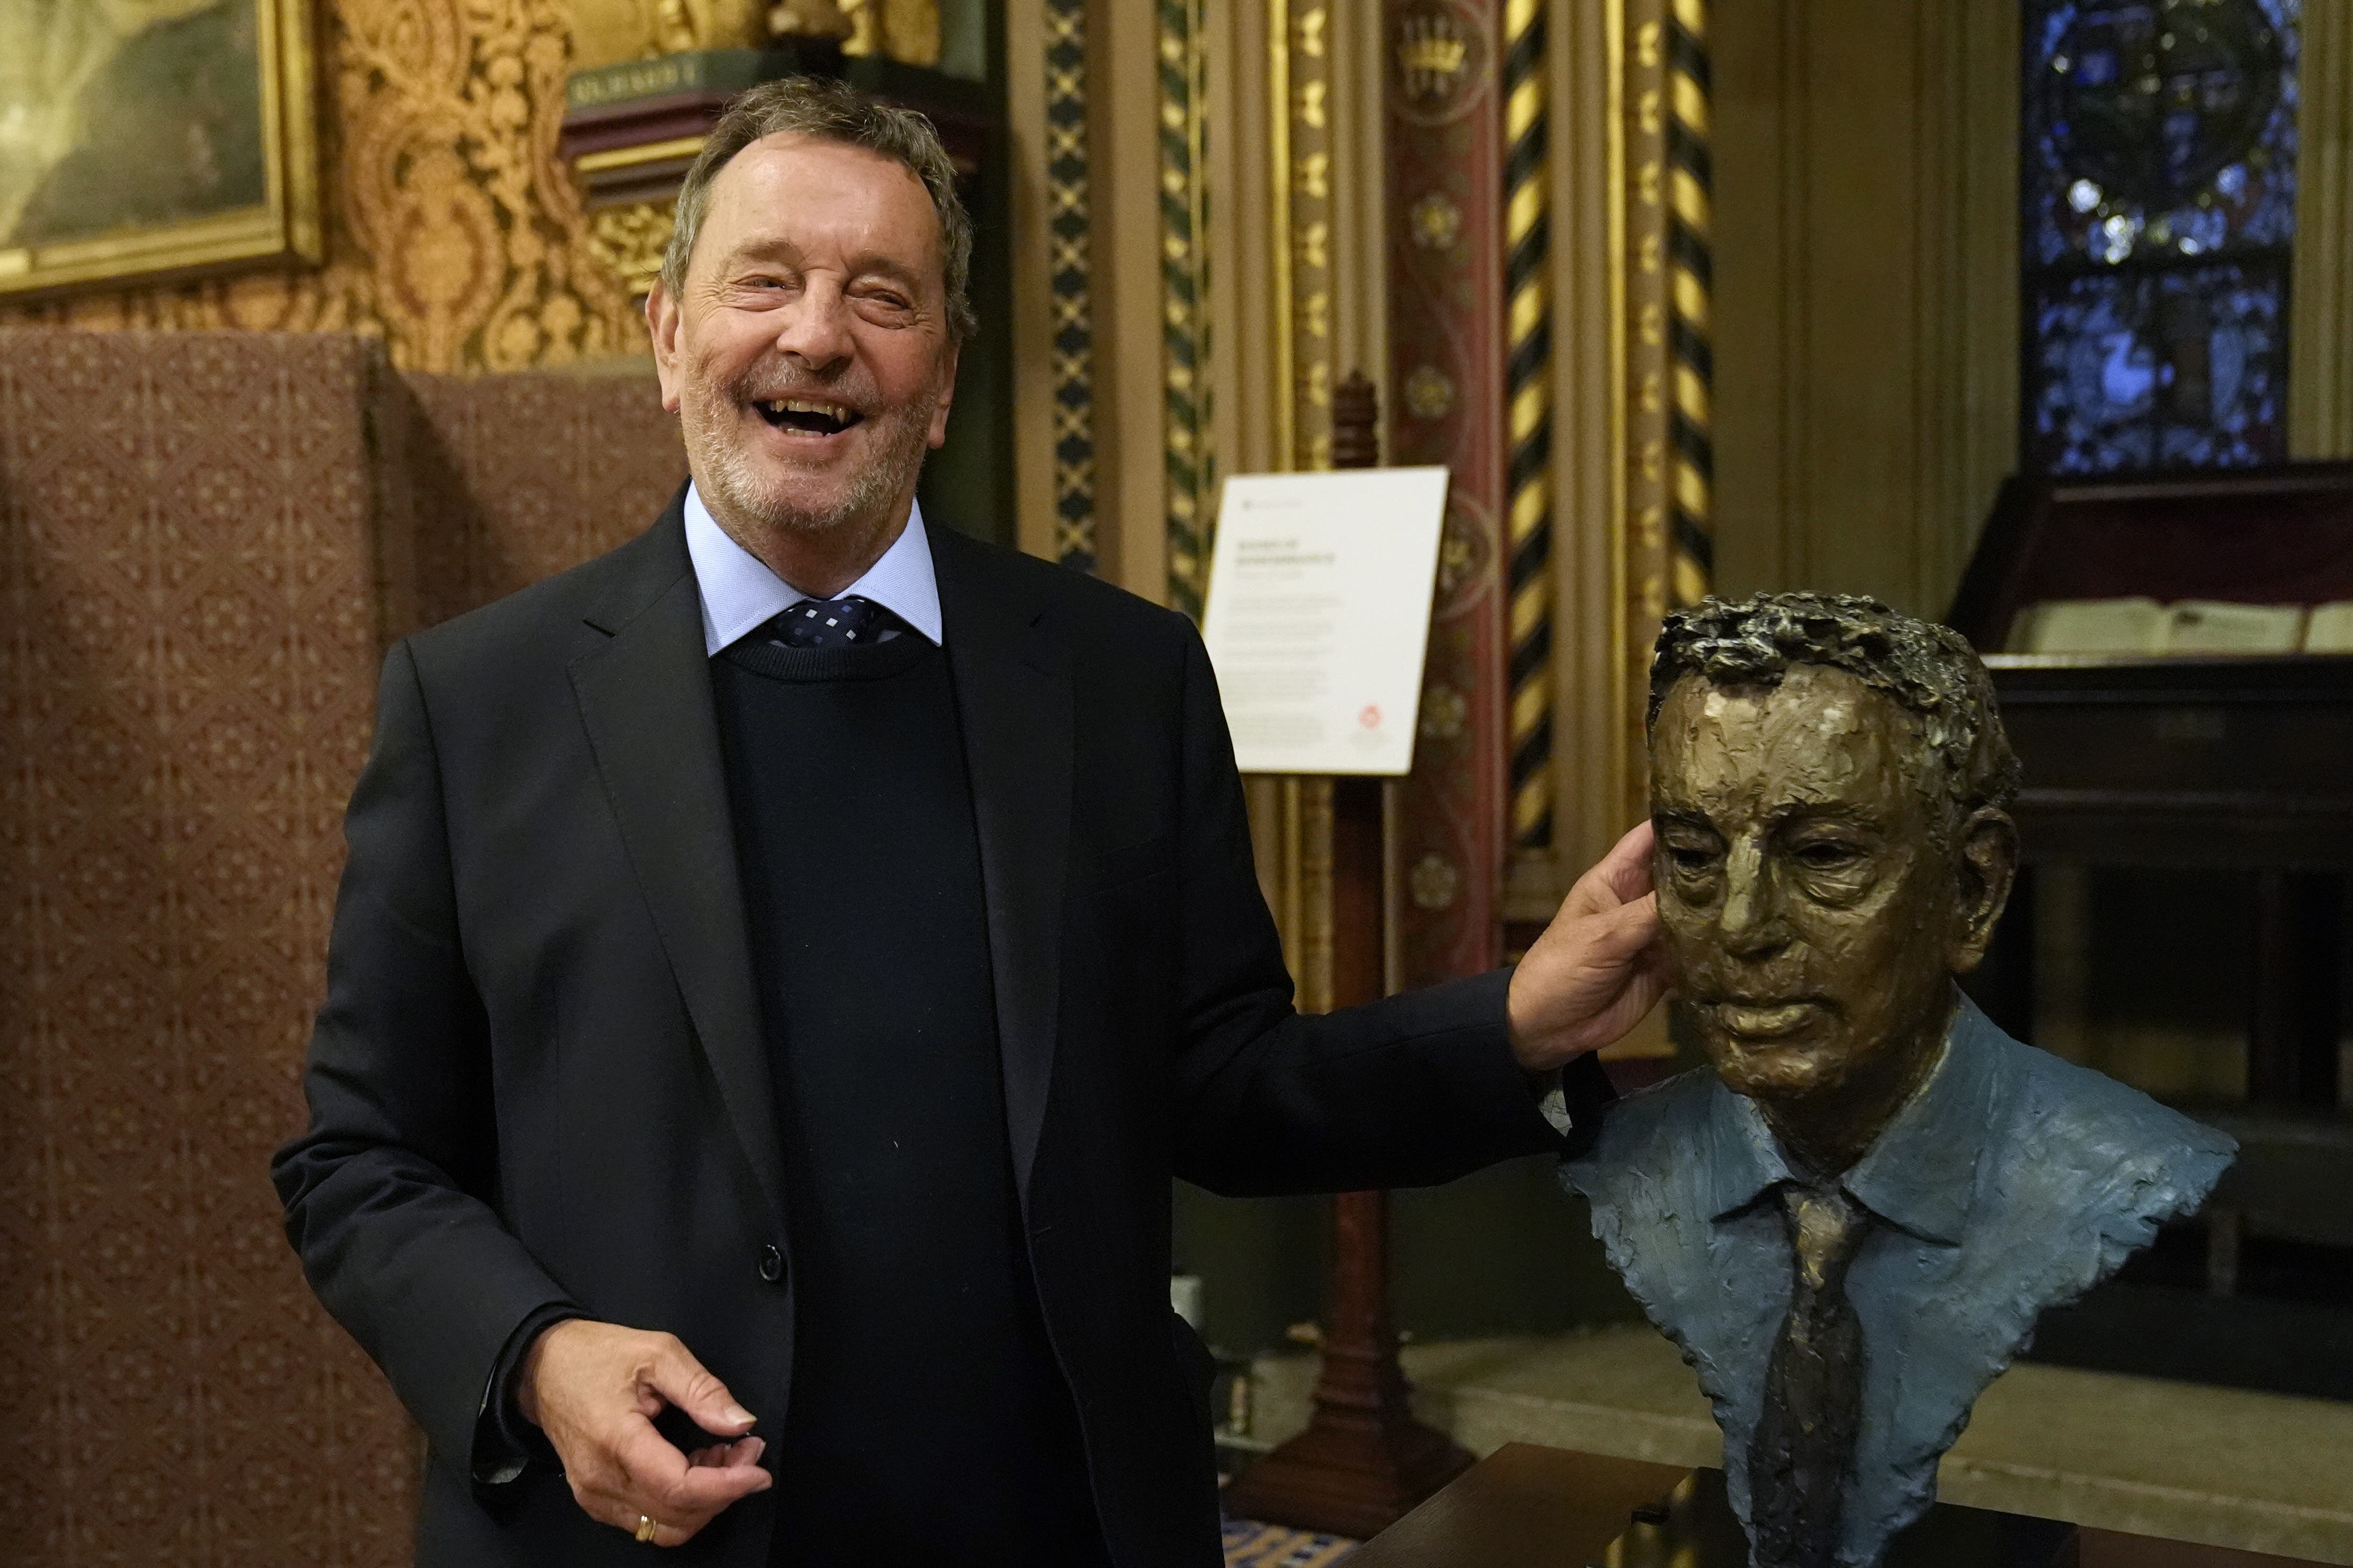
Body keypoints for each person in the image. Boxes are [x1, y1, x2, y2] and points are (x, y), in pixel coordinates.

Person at [273, 76, 1666, 1568]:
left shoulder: (1121, 679)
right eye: (766, 281)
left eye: (883, 295)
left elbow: (1226, 1083)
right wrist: (537, 1353)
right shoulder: (478, 703)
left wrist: (1512, 1025)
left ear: (941, 381)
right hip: (639, 1538)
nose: (817, 333)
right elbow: (358, 1158)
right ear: (670, 337)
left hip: (1051, 1523)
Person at [1560, 593, 2235, 1568]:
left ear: (1973, 888)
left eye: (1825, 855)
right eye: (1696, 857)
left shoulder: (2127, 1170)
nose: (1741, 925)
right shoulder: (1624, 1159)